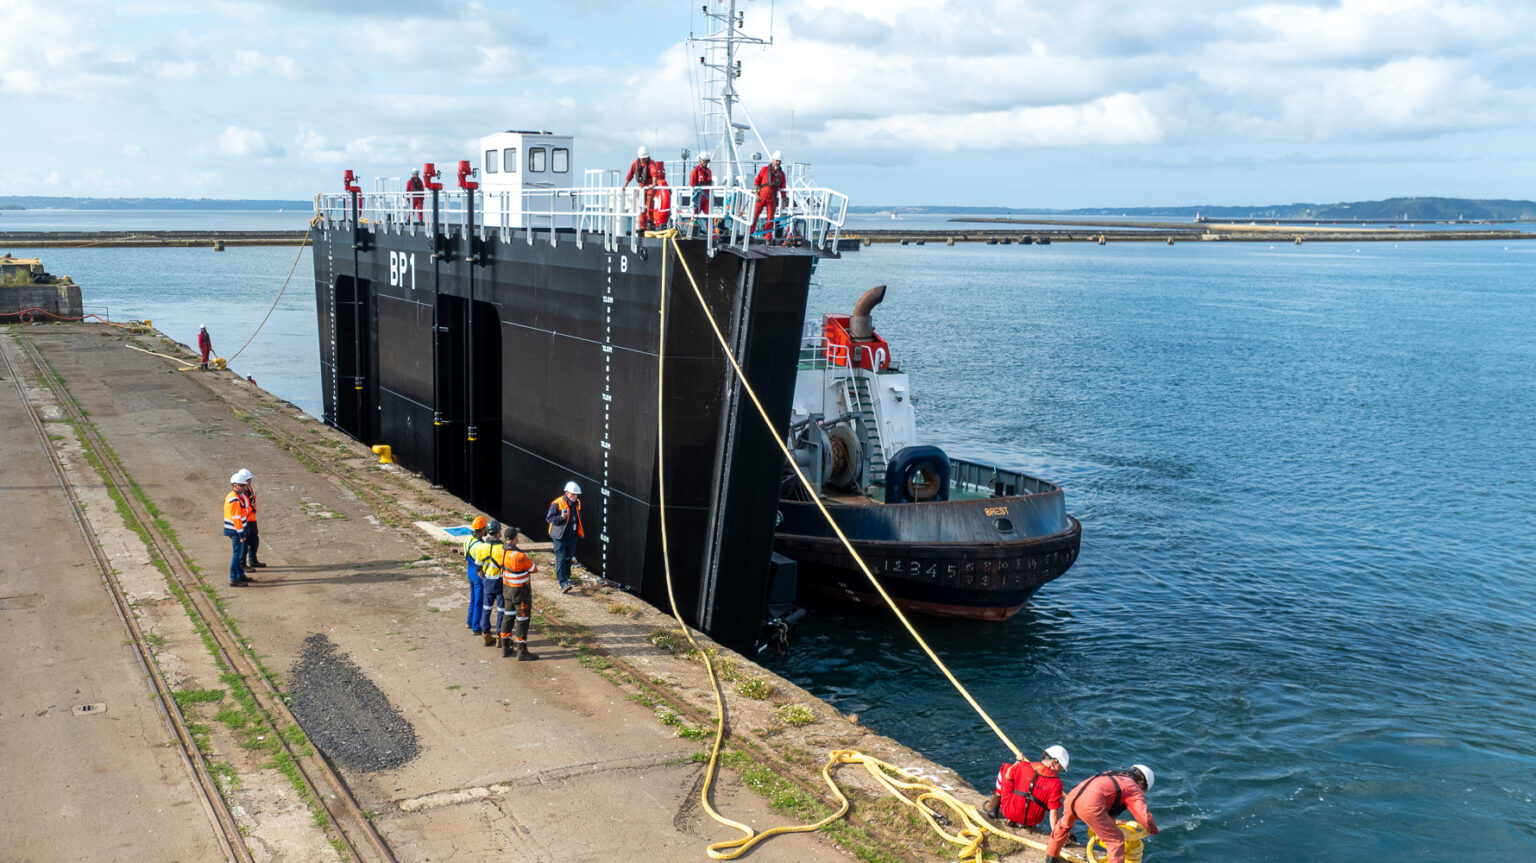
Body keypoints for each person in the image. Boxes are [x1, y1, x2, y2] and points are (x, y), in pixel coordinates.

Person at [1045, 764, 1159, 863]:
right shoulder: (1132, 786)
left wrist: (1113, 822)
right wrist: (1152, 829)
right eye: (1143, 788)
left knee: (1063, 826)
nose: (1141, 791)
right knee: (1116, 841)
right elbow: (1143, 815)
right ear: (1142, 782)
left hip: (1072, 797)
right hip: (1090, 804)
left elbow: (1106, 798)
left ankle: (1050, 858)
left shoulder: (1113, 774)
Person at [982, 745, 1068, 832]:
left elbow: (1008, 775)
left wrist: (1018, 761)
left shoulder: (1023, 766)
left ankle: (993, 806)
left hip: (1010, 812)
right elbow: (1053, 812)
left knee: (1006, 768)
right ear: (1053, 763)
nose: (1060, 770)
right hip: (1033, 819)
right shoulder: (1056, 784)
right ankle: (1026, 824)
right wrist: (1057, 833)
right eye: (1061, 767)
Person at [495, 527, 539, 660]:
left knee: (508, 616)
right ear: (515, 538)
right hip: (521, 592)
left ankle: (506, 647)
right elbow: (534, 569)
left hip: (507, 589)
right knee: (522, 619)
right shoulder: (520, 556)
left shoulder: (500, 552)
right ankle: (522, 651)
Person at [545, 481, 584, 593]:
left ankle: (567, 577)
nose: (575, 496)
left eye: (577, 495)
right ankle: (563, 583)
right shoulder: (557, 503)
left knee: (568, 557)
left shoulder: (577, 503)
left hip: (572, 536)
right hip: (560, 537)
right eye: (573, 494)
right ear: (567, 493)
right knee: (561, 559)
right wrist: (561, 517)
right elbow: (549, 519)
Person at [477, 518, 507, 646]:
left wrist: (485, 580)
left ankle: (486, 634)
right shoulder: (502, 548)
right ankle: (499, 636)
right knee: (501, 610)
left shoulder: (481, 547)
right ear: (498, 532)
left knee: (486, 608)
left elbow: (479, 568)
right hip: (500, 583)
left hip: (487, 582)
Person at [621, 146, 665, 231]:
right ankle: (642, 226)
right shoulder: (635, 163)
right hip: (641, 187)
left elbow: (654, 176)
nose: (643, 160)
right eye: (642, 158)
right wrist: (625, 185)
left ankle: (650, 221)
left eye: (645, 158)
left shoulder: (651, 164)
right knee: (640, 205)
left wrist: (653, 184)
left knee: (649, 201)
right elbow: (630, 175)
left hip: (649, 186)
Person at [222, 470, 254, 587]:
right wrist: (241, 534)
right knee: (237, 555)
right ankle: (234, 578)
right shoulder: (235, 499)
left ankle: (240, 575)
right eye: (242, 485)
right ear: (235, 485)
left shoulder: (236, 496)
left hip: (237, 529)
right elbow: (236, 518)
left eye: (244, 485)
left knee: (238, 554)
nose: (244, 487)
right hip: (236, 531)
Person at [462, 517, 494, 634]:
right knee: (479, 601)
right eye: (485, 528)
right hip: (477, 574)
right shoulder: (479, 545)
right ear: (481, 530)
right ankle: (476, 627)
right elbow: (483, 562)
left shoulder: (467, 539)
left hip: (470, 571)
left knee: (473, 598)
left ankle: (469, 621)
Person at [750, 151, 787, 244]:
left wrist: (784, 201)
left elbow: (783, 188)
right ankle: (750, 235)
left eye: (780, 161)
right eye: (777, 161)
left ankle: (768, 238)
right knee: (754, 217)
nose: (778, 163)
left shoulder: (781, 174)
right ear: (773, 160)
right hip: (761, 198)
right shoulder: (764, 170)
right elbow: (757, 182)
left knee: (770, 219)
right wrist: (756, 194)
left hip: (772, 199)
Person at [237, 470, 266, 568]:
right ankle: (243, 564)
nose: (250, 482)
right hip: (245, 521)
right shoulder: (240, 493)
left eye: (250, 480)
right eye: (248, 480)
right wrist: (251, 508)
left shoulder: (249, 489)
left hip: (251, 519)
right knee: (244, 544)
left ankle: (253, 560)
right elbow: (242, 509)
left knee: (254, 541)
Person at [689, 151, 713, 227]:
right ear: (700, 161)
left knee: (709, 216)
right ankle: (690, 231)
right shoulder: (695, 171)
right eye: (705, 161)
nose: (706, 163)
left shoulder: (709, 171)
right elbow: (692, 185)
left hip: (706, 198)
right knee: (694, 216)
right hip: (698, 197)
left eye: (707, 162)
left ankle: (712, 234)